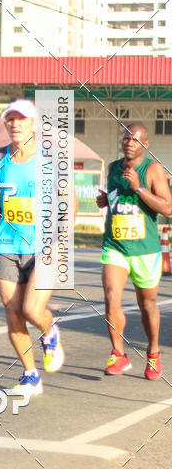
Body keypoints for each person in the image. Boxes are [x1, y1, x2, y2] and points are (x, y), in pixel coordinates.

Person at [0, 99, 66, 396]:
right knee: (13, 312)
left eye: (21, 119)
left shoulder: (50, 159)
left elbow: (66, 198)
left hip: (45, 245)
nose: (15, 124)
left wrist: (61, 238)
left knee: (33, 310)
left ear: (33, 124)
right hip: (8, 244)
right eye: (10, 120)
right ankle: (30, 375)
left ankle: (50, 332)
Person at [96, 123, 172, 380]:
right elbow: (119, 198)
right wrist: (108, 200)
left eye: (135, 140)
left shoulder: (152, 170)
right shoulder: (112, 168)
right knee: (110, 296)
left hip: (145, 250)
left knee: (147, 304)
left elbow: (167, 208)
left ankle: (153, 353)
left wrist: (139, 187)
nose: (129, 142)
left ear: (145, 145)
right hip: (115, 245)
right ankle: (118, 353)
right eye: (126, 138)